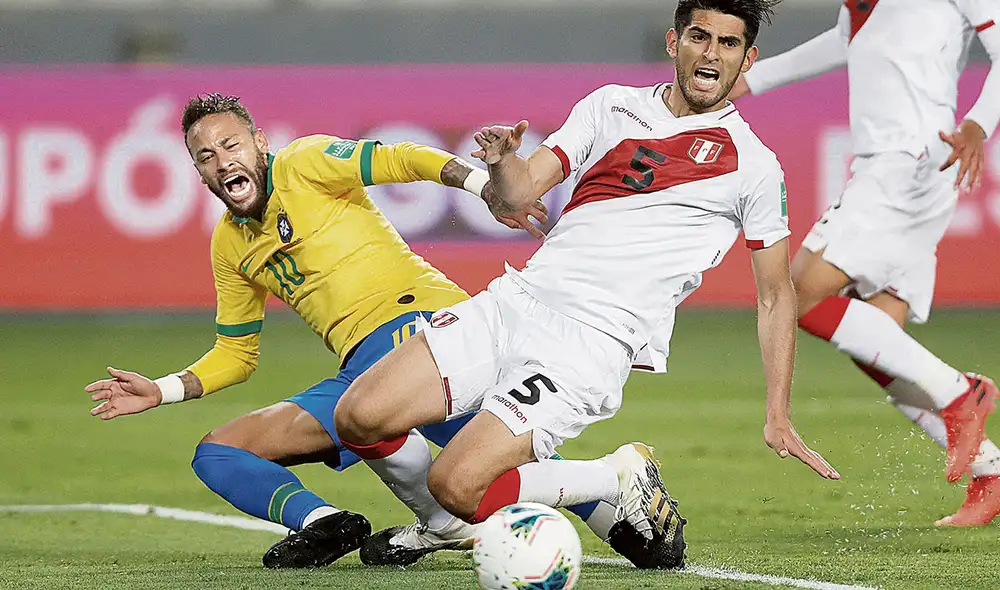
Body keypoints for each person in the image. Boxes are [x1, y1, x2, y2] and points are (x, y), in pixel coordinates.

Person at [333, 0, 838, 566]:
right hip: (516, 302)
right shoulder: (610, 105)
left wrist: (778, 411)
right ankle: (442, 526)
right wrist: (502, 161)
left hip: (588, 344)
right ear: (674, 42)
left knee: (459, 484)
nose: (711, 54)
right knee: (359, 416)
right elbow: (520, 193)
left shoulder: (754, 165)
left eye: (728, 43)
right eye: (700, 37)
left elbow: (775, 294)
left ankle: (611, 478)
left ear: (748, 59)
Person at [83, 93, 548, 568]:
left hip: (424, 327)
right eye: (207, 156)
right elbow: (236, 354)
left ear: (259, 143)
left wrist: (483, 187)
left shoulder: (303, 163)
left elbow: (404, 158)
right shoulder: (229, 243)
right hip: (364, 372)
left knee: (494, 456)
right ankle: (325, 523)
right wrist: (160, 390)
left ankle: (447, 521)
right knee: (218, 454)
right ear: (199, 172)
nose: (223, 162)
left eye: (231, 145)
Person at [729, 0, 1000, 526]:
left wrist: (978, 125)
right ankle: (989, 470)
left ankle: (961, 392)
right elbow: (842, 40)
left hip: (909, 165)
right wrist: (751, 80)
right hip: (905, 169)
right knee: (880, 344)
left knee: (794, 296)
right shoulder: (861, 7)